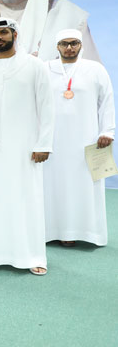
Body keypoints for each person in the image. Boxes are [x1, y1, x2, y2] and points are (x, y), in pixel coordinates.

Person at [0, 18, 54, 275]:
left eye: (4, 32)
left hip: (25, 148)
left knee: (27, 198)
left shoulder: (35, 66)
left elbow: (47, 107)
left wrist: (44, 143)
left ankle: (33, 255)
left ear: (15, 34)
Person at [44, 29, 114, 247]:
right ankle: (52, 231)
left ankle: (85, 232)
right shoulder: (45, 69)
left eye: (74, 43)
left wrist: (107, 131)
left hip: (87, 139)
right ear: (57, 46)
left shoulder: (95, 69)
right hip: (53, 141)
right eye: (64, 43)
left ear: (81, 45)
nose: (69, 48)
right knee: (52, 185)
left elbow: (106, 101)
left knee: (84, 185)